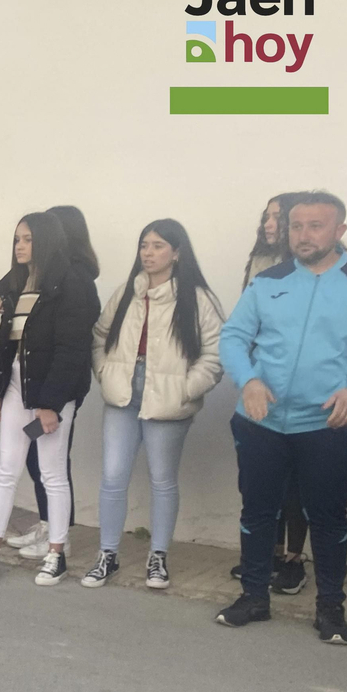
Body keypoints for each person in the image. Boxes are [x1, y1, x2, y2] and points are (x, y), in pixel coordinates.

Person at [216, 192, 347, 644]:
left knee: (328, 518)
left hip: (329, 423)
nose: (304, 235)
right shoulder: (268, 280)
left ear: (339, 231)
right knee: (258, 510)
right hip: (261, 420)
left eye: (316, 226)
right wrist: (248, 380)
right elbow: (234, 336)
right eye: (296, 226)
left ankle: (330, 610)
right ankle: (254, 597)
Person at [83, 220, 223, 589]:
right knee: (113, 476)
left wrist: (186, 389)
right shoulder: (127, 293)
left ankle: (158, 556)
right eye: (144, 245)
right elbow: (99, 336)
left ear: (177, 252)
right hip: (123, 394)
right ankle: (107, 554)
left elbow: (216, 353)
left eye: (158, 245)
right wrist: (105, 373)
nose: (148, 252)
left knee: (163, 480)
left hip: (168, 399)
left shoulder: (198, 298)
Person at [0, 211, 99, 586]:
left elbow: (71, 350)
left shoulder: (69, 283)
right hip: (17, 385)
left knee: (52, 471)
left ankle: (56, 553)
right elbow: (8, 344)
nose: (20, 246)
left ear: (45, 241)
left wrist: (51, 405)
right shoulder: (18, 283)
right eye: (17, 239)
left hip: (51, 392)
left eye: (28, 239)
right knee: (8, 468)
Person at [231, 193, 307, 593]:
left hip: (301, 388)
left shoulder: (316, 266)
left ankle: (295, 559)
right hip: (259, 384)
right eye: (267, 216)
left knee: (296, 483)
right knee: (262, 478)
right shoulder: (259, 263)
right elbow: (243, 325)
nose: (269, 223)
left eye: (278, 216)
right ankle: (269, 553)